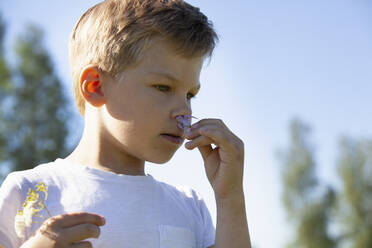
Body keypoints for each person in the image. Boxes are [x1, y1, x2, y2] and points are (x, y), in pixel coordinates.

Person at [0, 0, 251, 247]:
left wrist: (230, 197)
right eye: (163, 87)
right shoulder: (29, 191)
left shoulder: (189, 207)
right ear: (95, 86)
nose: (184, 111)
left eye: (189, 95)